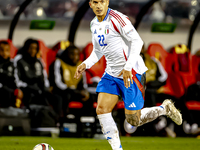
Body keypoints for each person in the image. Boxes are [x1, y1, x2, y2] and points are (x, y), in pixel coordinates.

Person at [74, 1, 182, 150]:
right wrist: (85, 64)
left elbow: (137, 41)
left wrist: (128, 67)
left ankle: (165, 109)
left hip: (132, 73)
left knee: (134, 120)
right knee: (102, 109)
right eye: (96, 2)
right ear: (90, 4)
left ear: (107, 2)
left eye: (102, 1)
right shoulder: (94, 24)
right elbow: (98, 50)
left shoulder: (118, 18)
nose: (99, 5)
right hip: (111, 73)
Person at [14, 38, 62, 120]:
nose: (33, 51)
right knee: (35, 97)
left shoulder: (39, 61)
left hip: (40, 89)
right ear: (26, 48)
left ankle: (57, 120)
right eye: (31, 48)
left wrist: (46, 88)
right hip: (26, 89)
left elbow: (44, 78)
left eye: (35, 48)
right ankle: (34, 121)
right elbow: (16, 80)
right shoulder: (19, 60)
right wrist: (27, 86)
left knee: (57, 98)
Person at [49, 44, 91, 117]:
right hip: (62, 91)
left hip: (75, 92)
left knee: (89, 97)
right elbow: (58, 83)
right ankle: (61, 121)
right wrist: (73, 91)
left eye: (77, 54)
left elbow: (83, 83)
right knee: (63, 97)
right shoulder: (59, 63)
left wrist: (84, 91)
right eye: (72, 54)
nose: (75, 57)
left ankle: (87, 121)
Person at [0, 41, 23, 108]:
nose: (4, 53)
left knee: (16, 92)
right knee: (7, 91)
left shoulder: (13, 63)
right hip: (2, 88)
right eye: (1, 50)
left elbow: (16, 79)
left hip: (10, 88)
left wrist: (18, 89)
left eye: (7, 50)